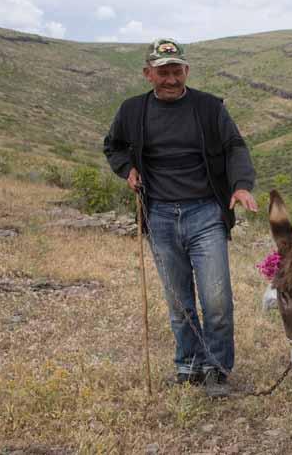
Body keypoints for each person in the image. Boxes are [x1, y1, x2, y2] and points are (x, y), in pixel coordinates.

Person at [103, 38, 257, 398]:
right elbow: (113, 146)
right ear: (148, 74)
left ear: (186, 70)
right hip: (158, 215)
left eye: (176, 71)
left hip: (205, 213)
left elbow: (235, 146)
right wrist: (127, 168)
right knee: (178, 300)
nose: (171, 79)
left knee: (216, 299)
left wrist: (241, 185)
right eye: (162, 72)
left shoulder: (209, 107)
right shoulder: (131, 110)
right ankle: (189, 365)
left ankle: (217, 370)